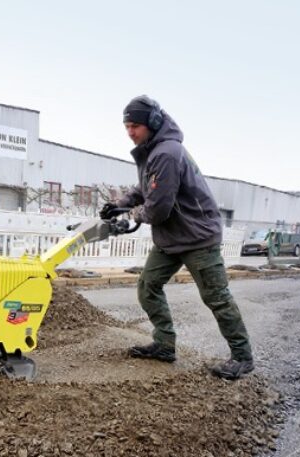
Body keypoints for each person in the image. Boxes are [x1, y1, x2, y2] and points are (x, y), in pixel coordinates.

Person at [100, 95, 254, 380]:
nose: (130, 132)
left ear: (152, 123)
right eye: (127, 127)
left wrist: (132, 215)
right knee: (148, 286)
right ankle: (164, 344)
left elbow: (157, 209)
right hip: (172, 238)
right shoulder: (154, 151)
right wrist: (120, 203)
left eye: (135, 125)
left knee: (216, 297)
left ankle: (242, 356)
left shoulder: (167, 153)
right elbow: (145, 188)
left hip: (198, 237)